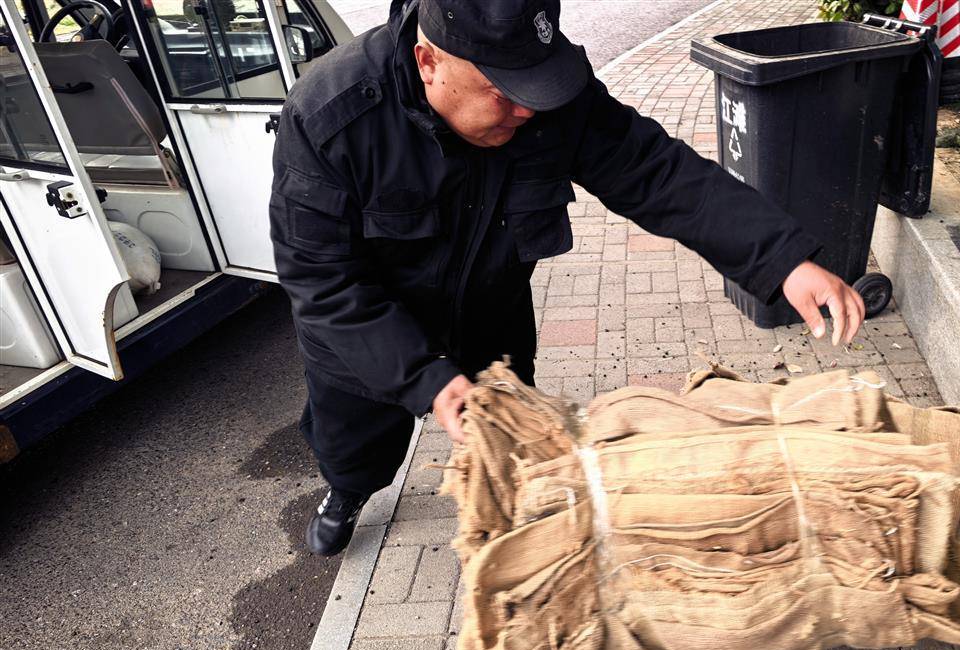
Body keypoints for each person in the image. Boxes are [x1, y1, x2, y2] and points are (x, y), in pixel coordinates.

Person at [270, 0, 865, 556]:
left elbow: (656, 172)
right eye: (503, 92)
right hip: (364, 332)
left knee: (513, 441)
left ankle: (514, 524)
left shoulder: (543, 96)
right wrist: (426, 381)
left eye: (536, 86)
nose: (528, 109)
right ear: (429, 62)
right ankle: (348, 493)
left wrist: (782, 259)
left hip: (488, 312)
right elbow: (322, 281)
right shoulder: (330, 115)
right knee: (357, 445)